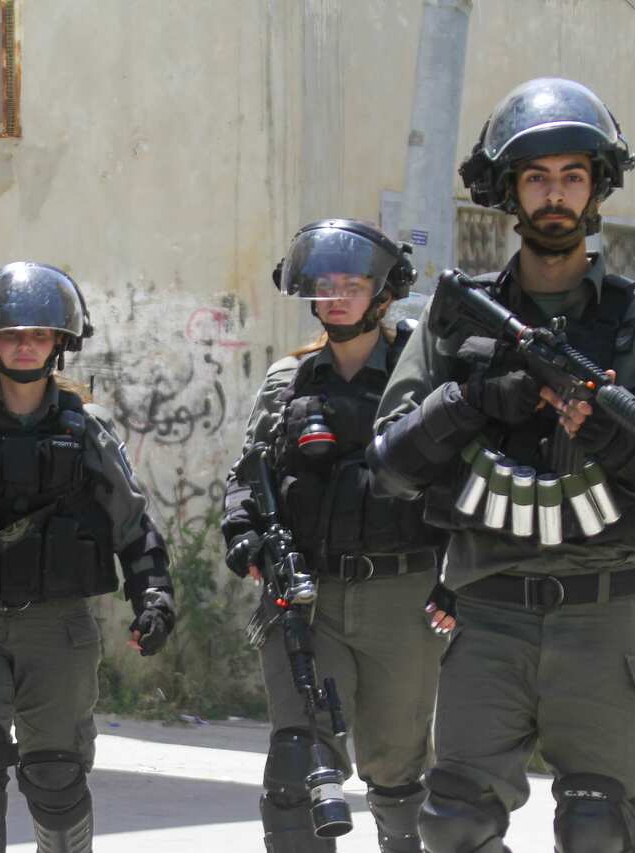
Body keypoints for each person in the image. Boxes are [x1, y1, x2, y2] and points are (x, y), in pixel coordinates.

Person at [368, 78, 635, 853]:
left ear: (595, 188)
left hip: (600, 610)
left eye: (571, 175)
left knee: (600, 829)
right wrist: (479, 399)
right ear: (508, 192)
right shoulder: (456, 320)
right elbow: (391, 463)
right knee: (452, 820)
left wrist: (611, 438)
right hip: (487, 607)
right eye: (535, 177)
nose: (553, 195)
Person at [0, 261, 177, 853]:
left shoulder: (87, 429)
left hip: (58, 627)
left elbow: (133, 521)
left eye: (40, 334)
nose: (25, 345)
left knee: (56, 774)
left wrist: (153, 595)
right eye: (12, 333)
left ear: (60, 343)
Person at [221, 220, 448, 853]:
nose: (339, 297)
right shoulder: (287, 382)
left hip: (402, 596)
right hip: (307, 594)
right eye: (326, 285)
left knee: (397, 767)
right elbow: (247, 477)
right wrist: (244, 535)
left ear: (382, 292)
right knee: (299, 762)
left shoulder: (421, 378)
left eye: (354, 284)